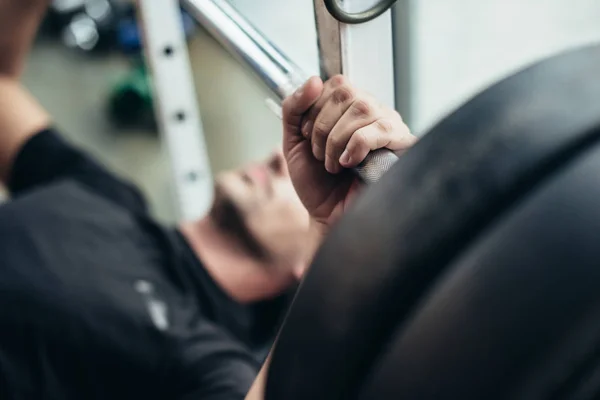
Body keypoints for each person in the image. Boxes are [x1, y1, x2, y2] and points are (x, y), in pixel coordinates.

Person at [0, 1, 417, 399]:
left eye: (328, 166)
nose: (278, 159)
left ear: (301, 267)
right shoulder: (107, 195)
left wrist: (330, 237)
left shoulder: (209, 359)